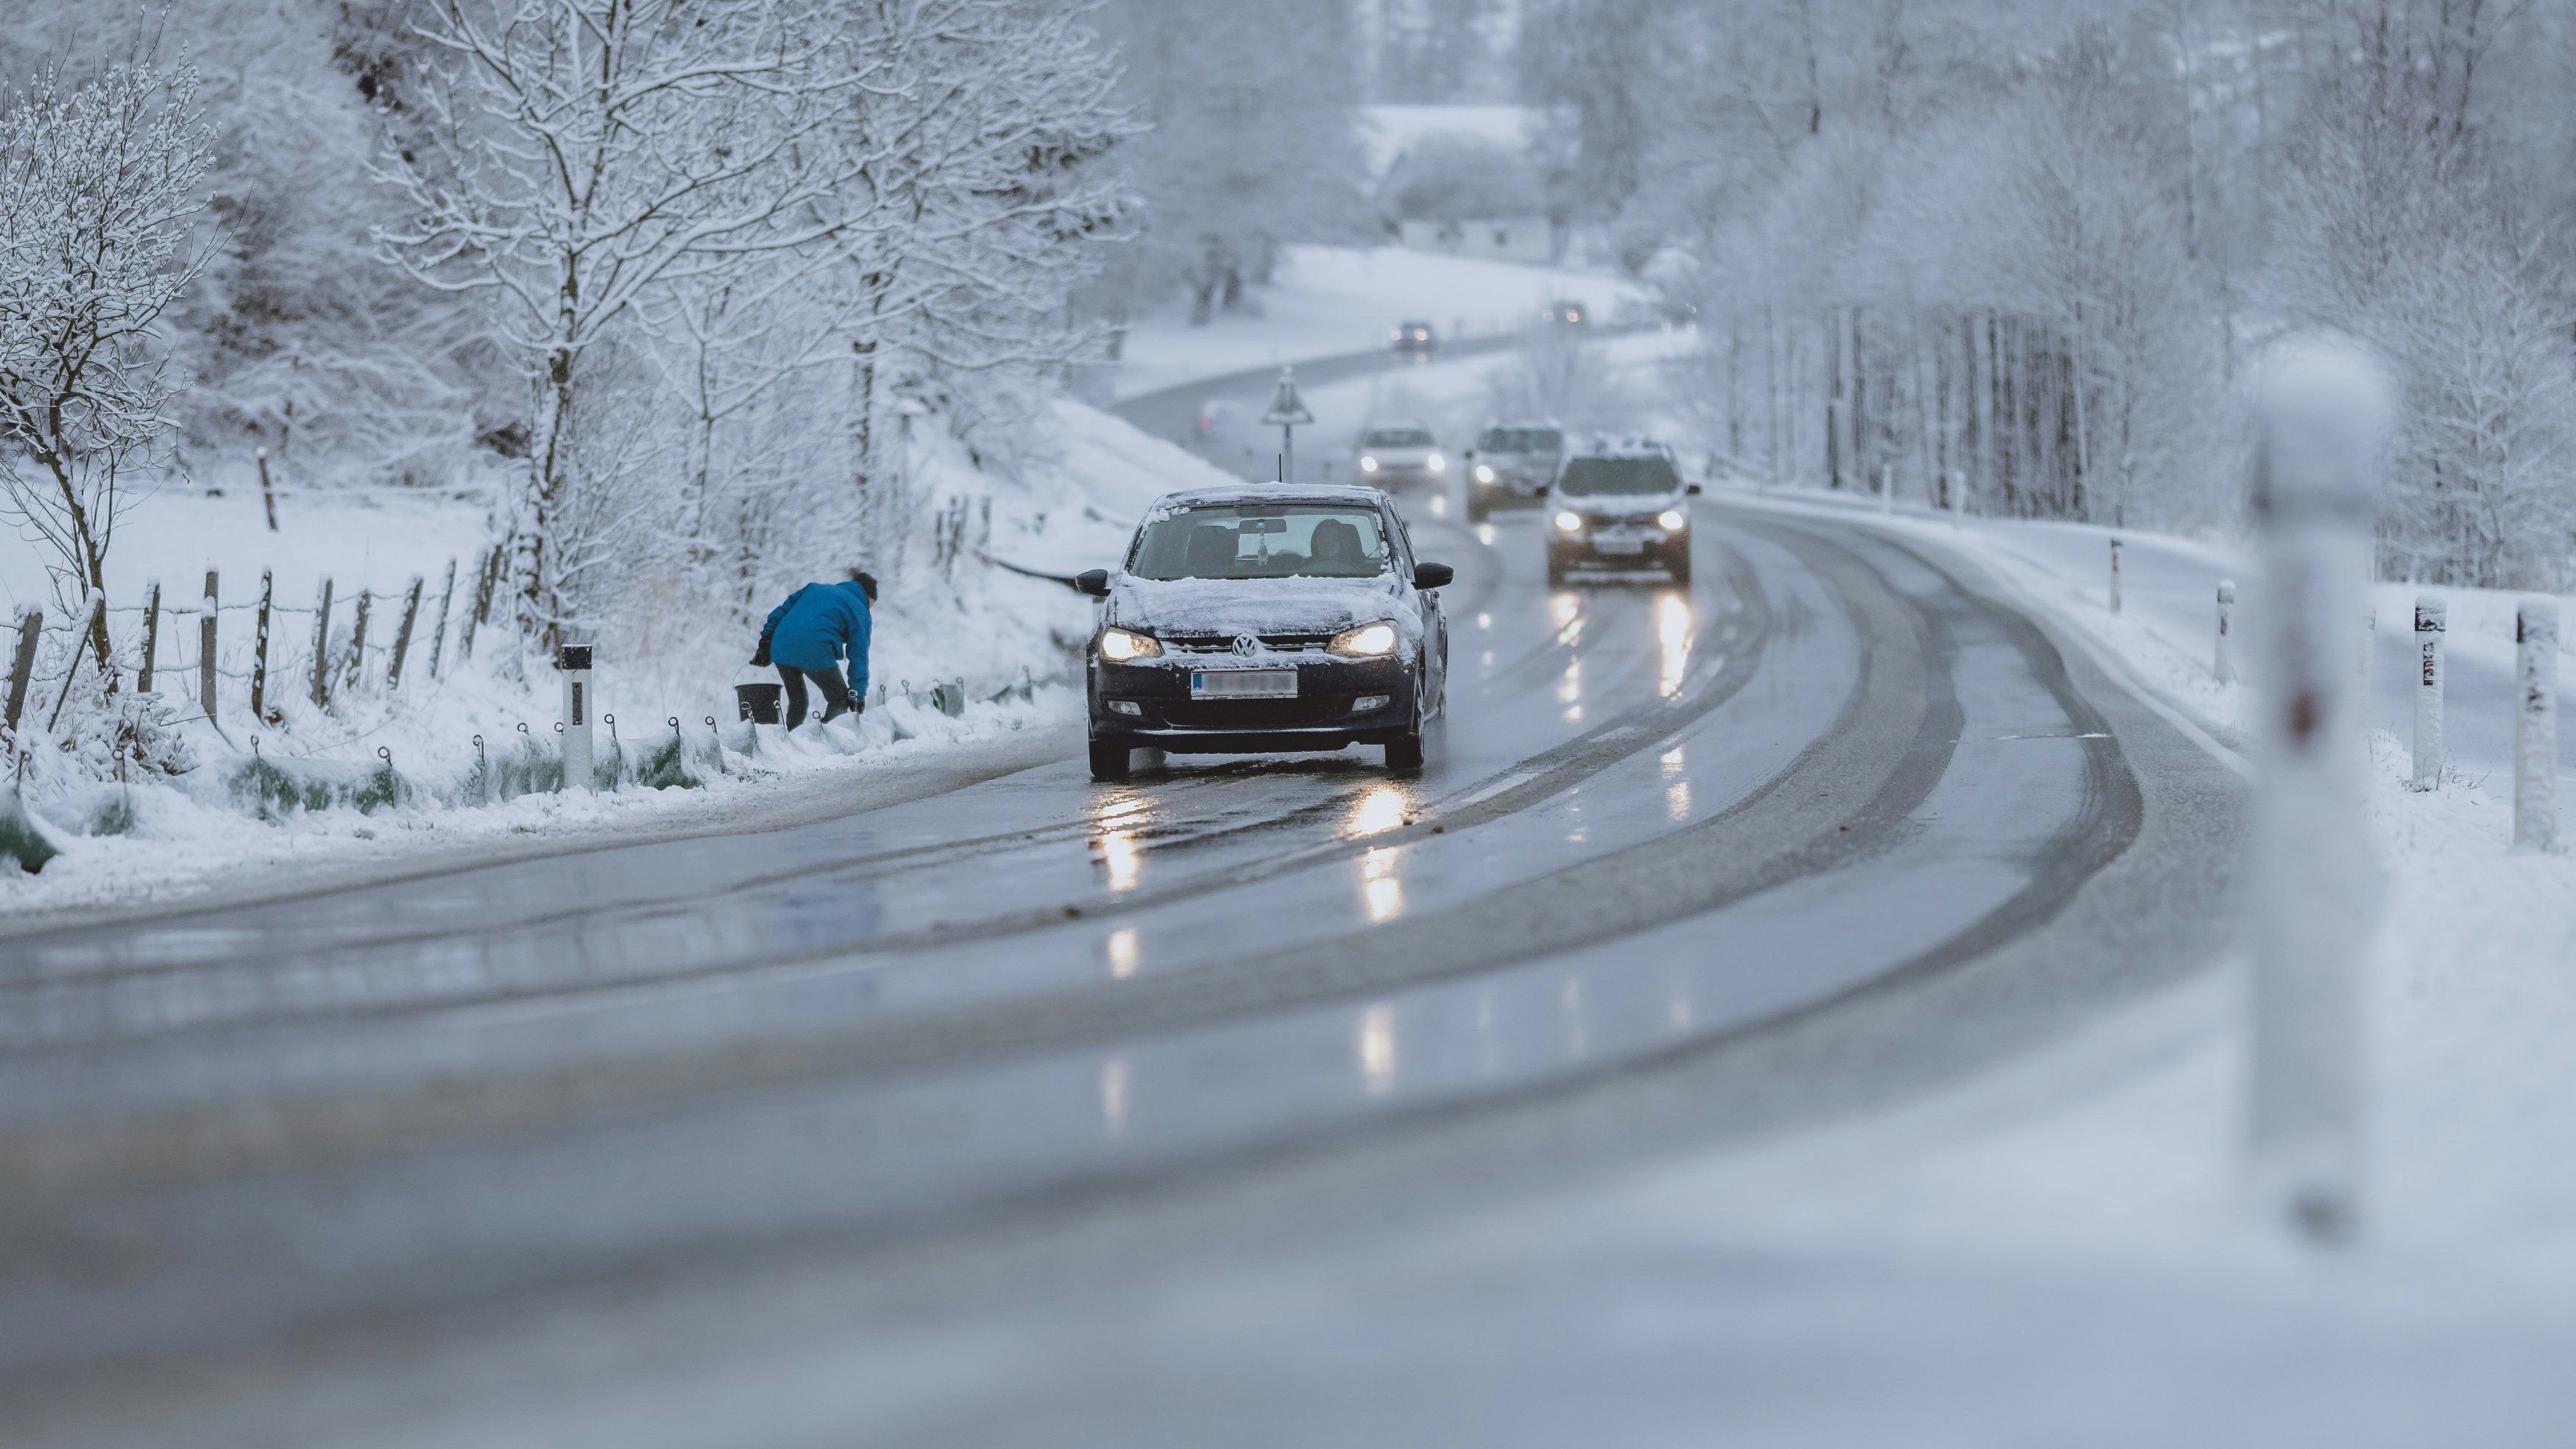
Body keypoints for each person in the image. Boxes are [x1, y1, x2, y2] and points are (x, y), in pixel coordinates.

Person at [754, 570, 875, 729]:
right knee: (839, 699)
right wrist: (857, 694)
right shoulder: (860, 609)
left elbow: (780, 612)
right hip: (814, 649)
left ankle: (787, 740)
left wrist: (765, 642)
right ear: (869, 597)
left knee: (798, 702)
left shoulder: (814, 589)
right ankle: (824, 742)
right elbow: (858, 655)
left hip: (781, 645)